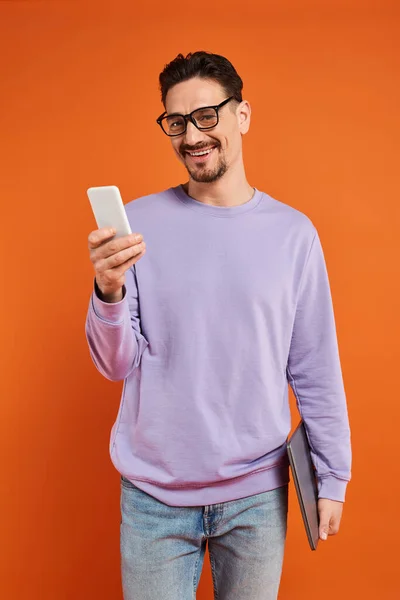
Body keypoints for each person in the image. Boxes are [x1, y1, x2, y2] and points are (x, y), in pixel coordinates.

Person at [85, 51, 352, 600]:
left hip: (257, 495)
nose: (192, 136)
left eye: (207, 116)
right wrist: (107, 293)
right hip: (153, 498)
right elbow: (116, 365)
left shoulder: (293, 234)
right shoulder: (137, 226)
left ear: (242, 116)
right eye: (176, 123)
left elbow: (315, 366)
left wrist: (334, 476)